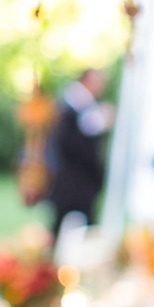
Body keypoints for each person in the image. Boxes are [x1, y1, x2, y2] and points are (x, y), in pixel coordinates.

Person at [46, 68, 113, 237]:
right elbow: (74, 142)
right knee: (68, 224)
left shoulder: (81, 105)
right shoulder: (74, 105)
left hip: (77, 179)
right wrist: (100, 123)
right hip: (74, 180)